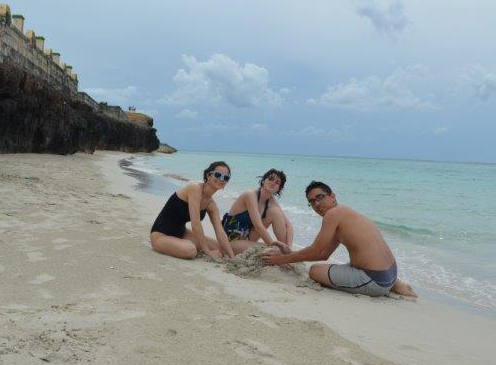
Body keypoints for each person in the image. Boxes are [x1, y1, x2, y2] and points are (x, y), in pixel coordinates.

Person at [262, 181, 417, 298]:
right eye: (312, 202)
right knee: (337, 265)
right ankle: (394, 285)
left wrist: (281, 259)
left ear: (332, 196)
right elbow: (323, 254)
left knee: (315, 271)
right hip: (390, 273)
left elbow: (316, 250)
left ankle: (384, 287)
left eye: (320, 198)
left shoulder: (333, 214)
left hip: (373, 279)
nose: (317, 204)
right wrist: (292, 253)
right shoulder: (345, 213)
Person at [150, 161, 235, 260]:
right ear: (208, 175)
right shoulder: (194, 188)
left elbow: (220, 232)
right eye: (218, 175)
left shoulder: (211, 204)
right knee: (190, 250)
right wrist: (208, 252)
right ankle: (173, 245)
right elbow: (195, 225)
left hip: (181, 233)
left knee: (220, 248)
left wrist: (232, 258)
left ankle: (178, 244)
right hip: (161, 234)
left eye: (226, 177)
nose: (221, 179)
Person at [222, 168, 294, 255]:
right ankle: (283, 253)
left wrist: (289, 247)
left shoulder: (271, 201)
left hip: (248, 238)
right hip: (232, 240)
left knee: (275, 212)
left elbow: (288, 226)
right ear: (263, 181)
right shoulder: (250, 195)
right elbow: (258, 226)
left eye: (277, 182)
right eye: (270, 179)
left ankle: (286, 252)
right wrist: (272, 246)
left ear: (279, 188)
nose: (273, 183)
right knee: (270, 249)